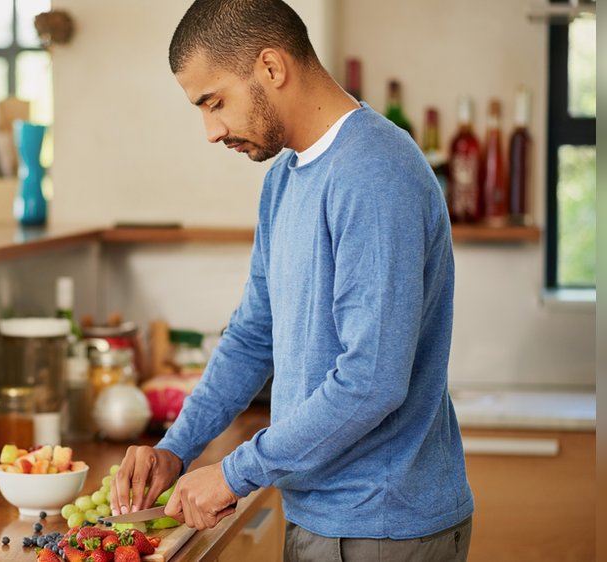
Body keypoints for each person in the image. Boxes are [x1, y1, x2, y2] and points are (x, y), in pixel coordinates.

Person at [109, 1, 475, 560]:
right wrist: (176, 449)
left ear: (271, 68)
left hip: (382, 524)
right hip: (320, 512)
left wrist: (234, 473)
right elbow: (254, 335)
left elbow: (371, 380)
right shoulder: (285, 177)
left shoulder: (374, 172)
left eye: (215, 102)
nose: (210, 131)